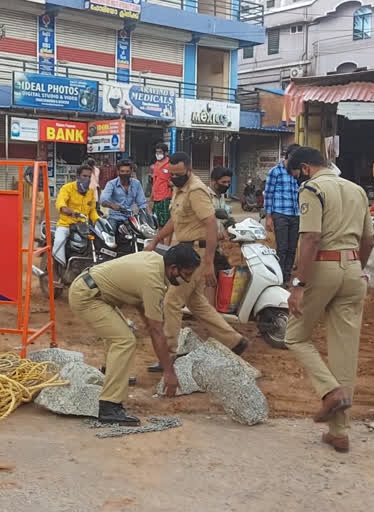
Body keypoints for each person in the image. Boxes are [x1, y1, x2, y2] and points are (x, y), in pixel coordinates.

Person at [283, 147, 374, 454]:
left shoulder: (313, 188)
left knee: (295, 337)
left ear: (305, 168)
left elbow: (311, 238)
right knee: (344, 353)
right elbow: (369, 239)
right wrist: (356, 269)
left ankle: (330, 391)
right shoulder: (356, 189)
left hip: (322, 267)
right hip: (353, 268)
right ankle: (339, 432)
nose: (296, 180)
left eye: (295, 174)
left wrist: (298, 284)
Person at [68, 245, 201, 425]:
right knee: (124, 340)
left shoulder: (155, 261)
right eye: (186, 273)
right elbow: (155, 330)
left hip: (93, 291)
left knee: (121, 332)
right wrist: (169, 372)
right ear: (173, 268)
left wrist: (152, 325)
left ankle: (110, 375)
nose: (187, 278)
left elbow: (142, 306)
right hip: (87, 296)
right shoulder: (153, 281)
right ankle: (109, 406)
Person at [144, 152, 248, 372]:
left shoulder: (196, 190)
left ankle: (169, 353)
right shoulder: (179, 189)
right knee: (196, 302)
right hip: (184, 252)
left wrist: (209, 262)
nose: (175, 177)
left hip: (195, 255)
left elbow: (210, 223)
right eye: (171, 174)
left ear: (189, 170)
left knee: (172, 301)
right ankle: (234, 341)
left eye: (179, 174)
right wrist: (155, 240)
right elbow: (176, 219)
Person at [264, 143, 302, 284]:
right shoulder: (275, 171)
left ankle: (286, 278)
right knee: (282, 247)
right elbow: (268, 194)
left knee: (292, 248)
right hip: (280, 214)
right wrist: (268, 217)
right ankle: (278, 278)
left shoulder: (298, 172)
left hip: (296, 214)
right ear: (289, 156)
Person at [52, 164, 100, 272]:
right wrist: (69, 211)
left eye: (89, 177)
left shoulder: (90, 192)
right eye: (84, 176)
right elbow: (60, 204)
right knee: (59, 242)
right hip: (66, 224)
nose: (87, 179)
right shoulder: (67, 188)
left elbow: (92, 210)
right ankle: (55, 271)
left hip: (84, 226)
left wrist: (99, 221)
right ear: (78, 176)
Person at [206, 166, 235, 306]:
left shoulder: (221, 197)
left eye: (228, 182)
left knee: (224, 270)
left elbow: (225, 216)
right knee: (211, 278)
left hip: (217, 244)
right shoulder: (205, 196)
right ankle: (210, 311)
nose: (227, 185)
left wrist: (234, 227)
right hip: (203, 243)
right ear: (213, 181)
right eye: (223, 182)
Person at [100, 159, 147, 231]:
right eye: (122, 171)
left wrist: (143, 216)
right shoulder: (111, 184)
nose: (125, 174)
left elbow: (142, 203)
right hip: (114, 217)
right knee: (109, 234)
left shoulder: (136, 183)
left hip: (130, 217)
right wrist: (111, 205)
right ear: (118, 172)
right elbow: (103, 200)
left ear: (131, 171)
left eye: (127, 171)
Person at [150, 143, 172, 231]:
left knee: (167, 223)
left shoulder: (170, 164)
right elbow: (154, 182)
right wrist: (151, 197)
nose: (158, 154)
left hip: (166, 197)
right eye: (157, 152)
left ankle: (167, 244)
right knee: (157, 222)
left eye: (160, 152)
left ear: (166, 153)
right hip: (156, 198)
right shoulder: (156, 165)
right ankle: (161, 244)